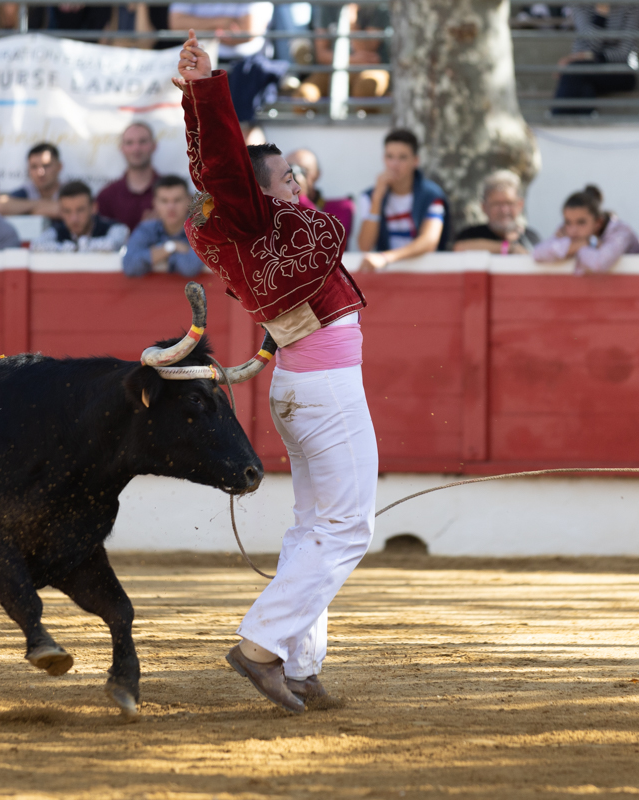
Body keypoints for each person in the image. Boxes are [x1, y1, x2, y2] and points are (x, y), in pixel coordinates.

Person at [176, 30, 371, 714]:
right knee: (347, 528)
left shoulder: (256, 226)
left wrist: (197, 106)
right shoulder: (256, 218)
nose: (299, 183)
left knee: (315, 528)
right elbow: (225, 169)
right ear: (259, 189)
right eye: (288, 175)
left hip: (301, 385)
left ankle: (298, 660)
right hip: (325, 387)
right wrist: (208, 91)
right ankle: (262, 645)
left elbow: (216, 170)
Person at [169, 3, 285, 127]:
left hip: (243, 67)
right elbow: (177, 25)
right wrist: (223, 22)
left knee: (240, 127)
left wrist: (202, 28)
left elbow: (247, 31)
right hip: (197, 63)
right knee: (198, 124)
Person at [356, 128, 450, 270]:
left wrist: (386, 258)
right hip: (385, 279)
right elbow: (364, 246)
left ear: (415, 161)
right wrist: (376, 200)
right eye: (390, 157)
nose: (394, 164)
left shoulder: (432, 195)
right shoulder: (370, 196)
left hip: (425, 274)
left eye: (402, 157)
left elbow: (429, 241)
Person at [532, 184, 639, 273]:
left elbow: (599, 263)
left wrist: (573, 247)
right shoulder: (569, 231)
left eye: (581, 222)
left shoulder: (621, 232)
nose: (573, 230)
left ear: (598, 222)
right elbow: (538, 253)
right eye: (568, 222)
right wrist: (585, 243)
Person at [552, 3, 639, 115]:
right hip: (583, 69)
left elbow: (623, 53)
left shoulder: (632, 5)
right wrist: (601, 14)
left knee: (574, 70)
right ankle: (584, 119)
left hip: (620, 71)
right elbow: (591, 44)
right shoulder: (581, 5)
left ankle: (556, 117)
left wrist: (586, 56)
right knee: (583, 85)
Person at [296, 3, 390, 105]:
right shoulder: (327, 6)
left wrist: (351, 22)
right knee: (303, 96)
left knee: (366, 88)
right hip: (332, 69)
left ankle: (367, 119)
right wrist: (351, 60)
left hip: (368, 69)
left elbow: (367, 51)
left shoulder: (378, 6)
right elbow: (321, 55)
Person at [122, 175, 204, 277]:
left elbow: (189, 267)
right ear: (155, 203)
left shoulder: (201, 230)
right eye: (164, 201)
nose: (171, 207)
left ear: (189, 201)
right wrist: (171, 247)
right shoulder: (147, 229)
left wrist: (157, 253)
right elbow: (130, 266)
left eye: (177, 200)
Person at [453, 170, 541, 255]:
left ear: (520, 205)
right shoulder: (471, 235)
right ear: (484, 207)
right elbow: (459, 248)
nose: (504, 210)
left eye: (509, 203)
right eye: (497, 204)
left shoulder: (530, 239)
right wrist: (509, 248)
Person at [31, 181, 129, 253]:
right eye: (67, 211)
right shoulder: (56, 230)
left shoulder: (114, 228)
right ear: (61, 211)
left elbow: (113, 244)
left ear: (93, 208)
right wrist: (69, 248)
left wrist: (76, 248)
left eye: (80, 210)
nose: (74, 218)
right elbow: (36, 245)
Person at [96, 122, 159, 232]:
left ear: (154, 146)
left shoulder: (175, 194)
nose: (136, 148)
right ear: (122, 148)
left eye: (142, 141)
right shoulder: (106, 196)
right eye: (130, 143)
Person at [286, 147, 354, 235]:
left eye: (303, 170)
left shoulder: (341, 207)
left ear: (317, 174)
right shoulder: (275, 207)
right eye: (290, 169)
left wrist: (301, 197)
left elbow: (325, 240)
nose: (295, 175)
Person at [0, 142, 63, 218]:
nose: (40, 173)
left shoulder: (69, 190)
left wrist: (26, 210)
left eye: (46, 166)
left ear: (59, 167)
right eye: (34, 167)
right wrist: (40, 206)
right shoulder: (26, 191)